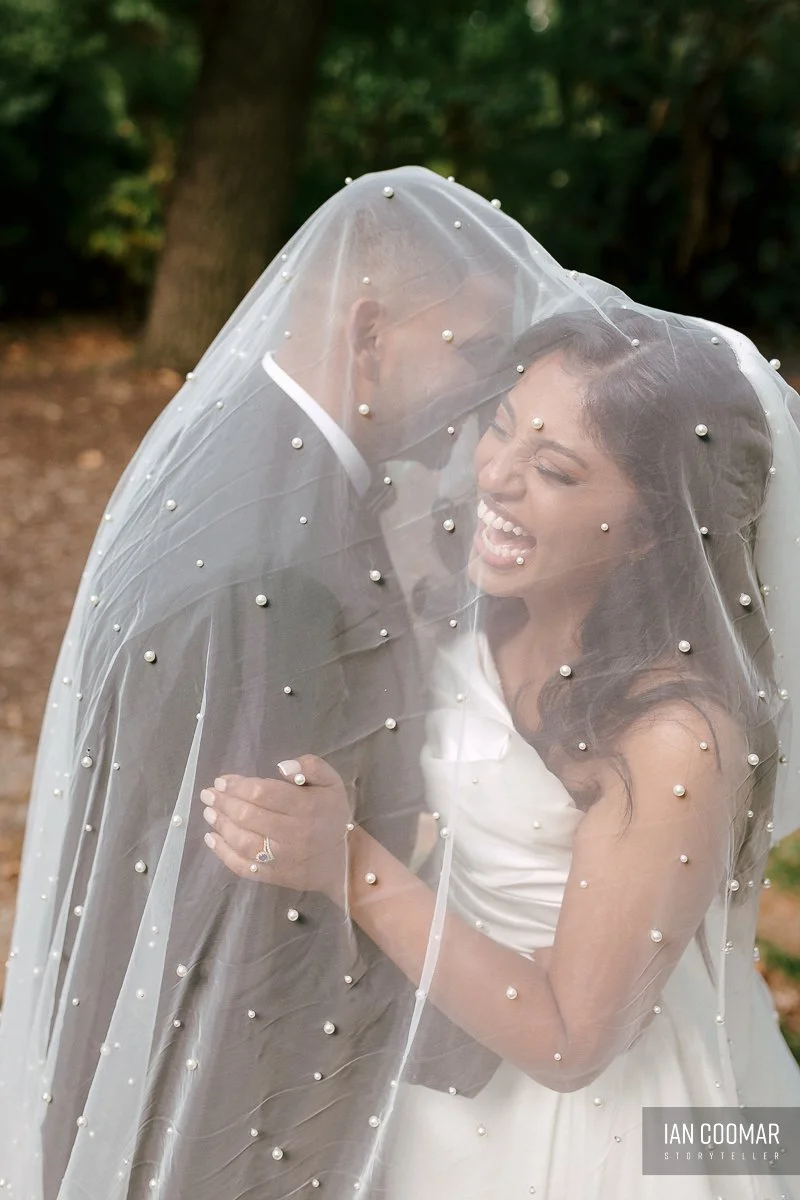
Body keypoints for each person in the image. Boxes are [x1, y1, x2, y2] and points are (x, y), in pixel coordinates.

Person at [0, 167, 537, 1198]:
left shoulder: (249, 455)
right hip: (237, 1131)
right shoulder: (278, 572)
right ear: (369, 330)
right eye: (471, 352)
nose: (488, 393)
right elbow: (257, 937)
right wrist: (504, 1047)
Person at [200, 303, 800, 1199]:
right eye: (502, 428)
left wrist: (350, 863)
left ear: (649, 531)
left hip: (609, 1128)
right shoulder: (478, 610)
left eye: (554, 470)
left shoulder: (676, 737)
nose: (496, 477)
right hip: (447, 1066)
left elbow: (571, 1043)